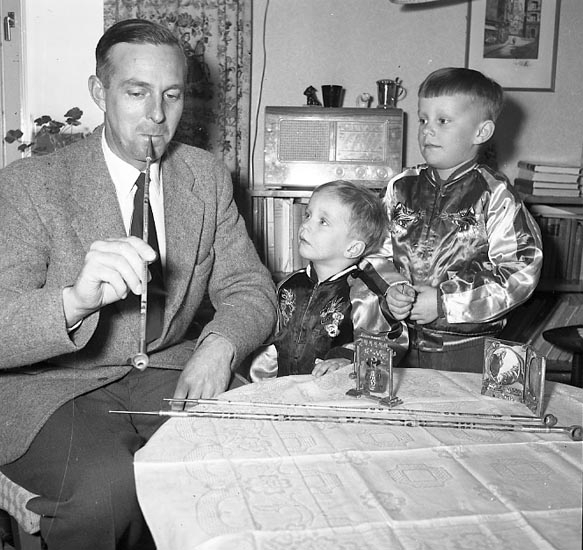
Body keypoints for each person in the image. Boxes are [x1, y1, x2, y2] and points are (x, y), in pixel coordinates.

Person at [0, 19, 276, 550]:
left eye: (171, 94)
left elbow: (249, 286)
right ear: (98, 92)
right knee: (108, 494)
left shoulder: (205, 176)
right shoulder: (29, 185)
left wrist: (219, 347)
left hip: (168, 369)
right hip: (50, 388)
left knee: (256, 460)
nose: (157, 114)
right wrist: (73, 303)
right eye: (136, 92)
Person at [383, 67, 543, 372]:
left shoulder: (495, 194)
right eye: (423, 119)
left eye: (442, 121)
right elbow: (375, 254)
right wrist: (391, 289)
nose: (428, 130)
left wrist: (444, 302)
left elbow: (520, 270)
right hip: (398, 341)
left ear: (481, 132)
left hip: (466, 347)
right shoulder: (400, 187)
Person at [249, 180, 407, 381]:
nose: (306, 225)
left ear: (353, 248)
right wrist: (261, 382)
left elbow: (389, 340)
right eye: (308, 215)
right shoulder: (289, 286)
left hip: (336, 392)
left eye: (323, 221)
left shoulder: (363, 294)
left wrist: (348, 359)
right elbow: (272, 346)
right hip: (287, 391)